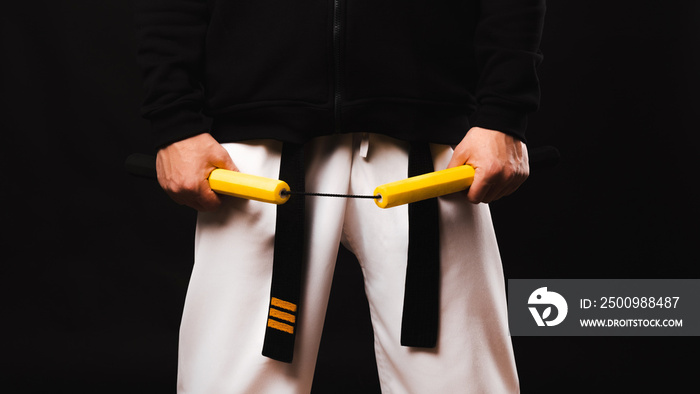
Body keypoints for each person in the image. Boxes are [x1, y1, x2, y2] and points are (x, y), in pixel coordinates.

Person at [136, 0, 545, 392]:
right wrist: (175, 122)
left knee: (461, 383)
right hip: (254, 157)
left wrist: (503, 113)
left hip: (428, 148)